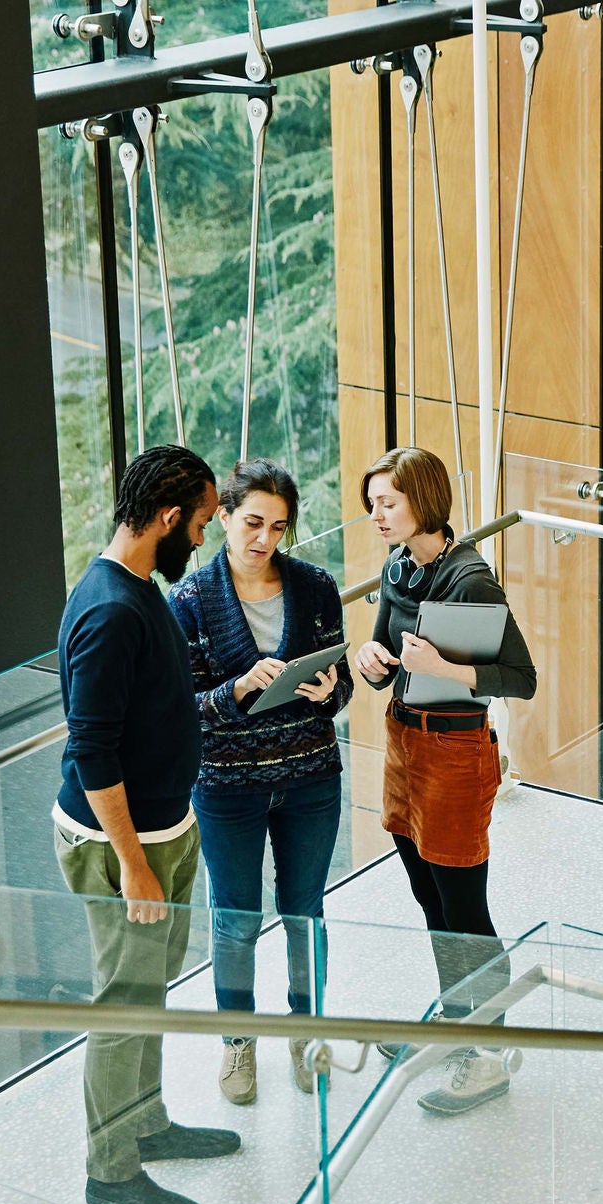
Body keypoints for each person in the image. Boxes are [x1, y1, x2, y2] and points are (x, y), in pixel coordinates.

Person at [54, 444, 238, 1204]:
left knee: (148, 989)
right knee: (122, 1004)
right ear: (167, 519)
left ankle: (146, 1121)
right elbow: (89, 751)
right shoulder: (108, 608)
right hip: (123, 848)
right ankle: (111, 1168)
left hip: (165, 829)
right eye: (197, 526)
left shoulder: (134, 589)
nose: (200, 542)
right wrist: (134, 864)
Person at [352, 446, 537, 1116]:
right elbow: (382, 663)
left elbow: (522, 679)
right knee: (430, 899)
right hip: (404, 742)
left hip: (456, 753)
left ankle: (486, 1055)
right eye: (372, 502)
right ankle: (454, 1029)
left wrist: (447, 668)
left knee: (465, 910)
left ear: (423, 502)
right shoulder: (399, 567)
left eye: (388, 503)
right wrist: (370, 658)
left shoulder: (471, 581)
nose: (376, 514)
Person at [170, 461, 352, 1106]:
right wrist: (236, 690)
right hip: (227, 789)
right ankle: (238, 1041)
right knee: (236, 920)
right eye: (252, 522)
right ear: (222, 516)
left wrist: (334, 692)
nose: (264, 539)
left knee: (306, 911)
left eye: (277, 527)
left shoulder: (316, 586)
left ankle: (308, 1031)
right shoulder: (188, 602)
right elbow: (179, 709)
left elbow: (343, 679)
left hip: (310, 780)